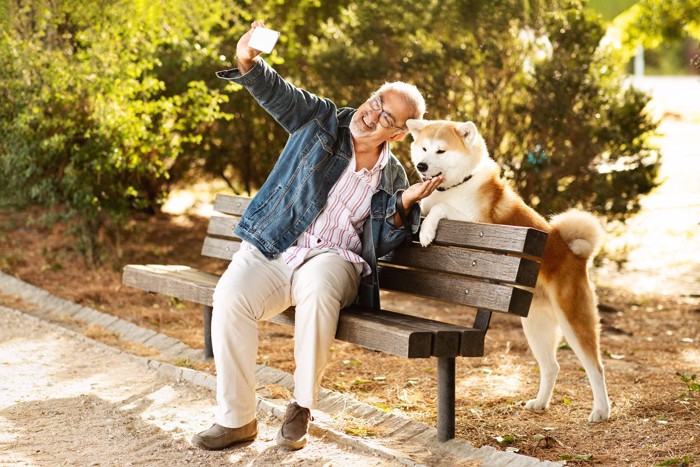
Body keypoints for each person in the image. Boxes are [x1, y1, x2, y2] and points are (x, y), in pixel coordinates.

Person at [191, 21, 445, 451]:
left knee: (319, 286)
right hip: (275, 245)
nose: (372, 114)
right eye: (376, 101)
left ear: (399, 134)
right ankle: (236, 419)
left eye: (386, 116)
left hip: (335, 259)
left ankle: (301, 406)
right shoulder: (321, 119)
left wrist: (402, 205)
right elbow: (277, 92)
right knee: (229, 299)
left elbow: (380, 243)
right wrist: (248, 60)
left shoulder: (394, 175)